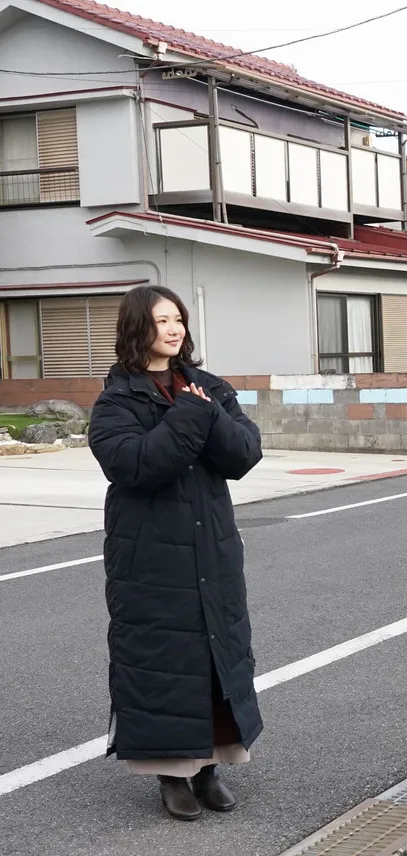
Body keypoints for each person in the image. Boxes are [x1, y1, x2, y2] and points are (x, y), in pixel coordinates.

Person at [88, 285, 264, 820]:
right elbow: (135, 466)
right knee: (163, 659)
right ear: (138, 328)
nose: (174, 328)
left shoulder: (210, 386)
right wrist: (192, 415)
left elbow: (244, 454)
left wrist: (204, 413)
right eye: (162, 320)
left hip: (211, 546)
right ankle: (172, 776)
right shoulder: (117, 400)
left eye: (179, 319)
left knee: (213, 655)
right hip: (149, 555)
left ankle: (210, 768)